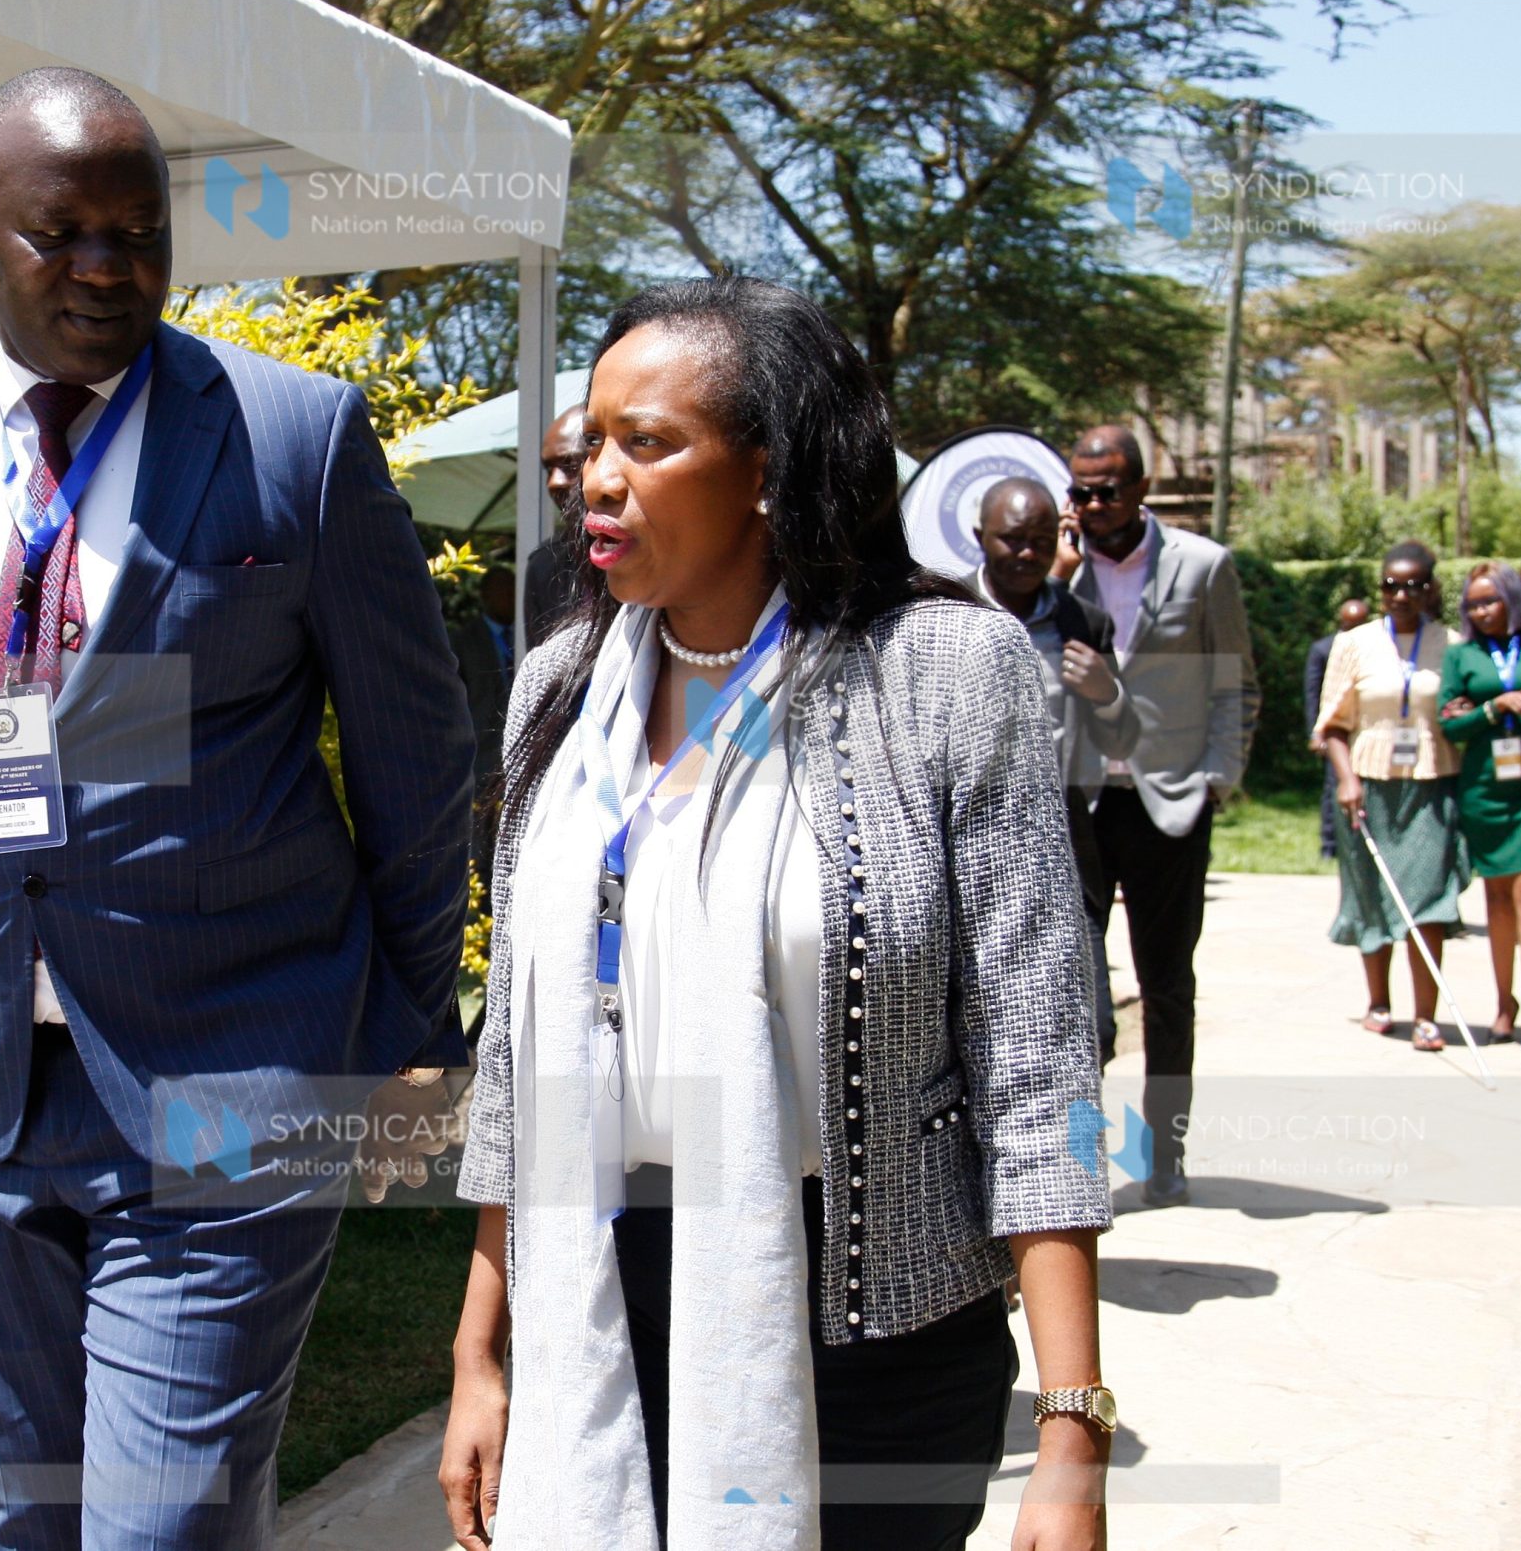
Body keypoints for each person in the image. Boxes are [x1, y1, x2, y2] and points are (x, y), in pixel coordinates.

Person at [0, 67, 475, 1551]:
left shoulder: (293, 438)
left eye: (142, 231)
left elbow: (418, 768)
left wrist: (396, 1034)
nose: (111, 270)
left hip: (238, 1082)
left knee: (155, 1529)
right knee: (33, 1526)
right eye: (65, 233)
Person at [441, 278, 1110, 1551]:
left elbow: (1039, 1064)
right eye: (592, 442)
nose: (594, 476)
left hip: (875, 1328)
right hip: (604, 1299)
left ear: (769, 468)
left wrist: (1072, 1425)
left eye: (646, 442)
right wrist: (482, 1352)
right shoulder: (558, 692)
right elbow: (521, 1059)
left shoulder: (943, 673)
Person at [1049, 425, 1256, 1208]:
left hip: (1169, 801)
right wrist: (1063, 579)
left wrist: (1218, 780)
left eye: (1107, 491)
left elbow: (1237, 685)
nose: (1093, 505)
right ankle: (1079, 1160)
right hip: (1081, 804)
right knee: (1071, 996)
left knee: (1167, 987)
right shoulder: (1057, 575)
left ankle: (1165, 1157)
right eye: (1081, 492)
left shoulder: (1204, 567)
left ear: (1141, 489)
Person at [973, 475, 1136, 1067]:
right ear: (980, 538)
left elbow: (1125, 737)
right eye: (1012, 539)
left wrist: (1107, 692)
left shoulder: (1083, 623)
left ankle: (1078, 1154)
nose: (1026, 553)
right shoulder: (941, 613)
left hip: (1065, 856)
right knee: (985, 1042)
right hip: (966, 859)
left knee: (1092, 1035)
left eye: (1042, 539)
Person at [1313, 544, 1468, 1052]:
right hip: (1368, 785)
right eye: (1391, 585)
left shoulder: (1453, 643)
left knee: (1427, 900)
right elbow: (1333, 725)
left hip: (1430, 784)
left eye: (1415, 585)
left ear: (1432, 589)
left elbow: (1462, 714)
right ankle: (1378, 1002)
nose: (1402, 595)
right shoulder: (1353, 643)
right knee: (1371, 896)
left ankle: (1427, 1016)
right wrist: (1346, 779)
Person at [1438, 562, 1521, 1067]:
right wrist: (1494, 709)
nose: (1481, 610)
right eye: (1473, 602)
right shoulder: (1462, 656)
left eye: (1490, 600)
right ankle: (1503, 1003)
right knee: (1498, 897)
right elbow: (1450, 723)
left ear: (1512, 599)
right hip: (1486, 790)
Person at [452, 566, 518, 892]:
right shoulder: (463, 640)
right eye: (502, 590)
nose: (509, 597)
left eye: (513, 589)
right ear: (484, 595)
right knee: (478, 841)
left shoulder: (527, 633)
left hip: (518, 755)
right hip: (478, 757)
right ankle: (477, 914)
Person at [1309, 598, 1374, 858]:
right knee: (1332, 787)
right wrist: (1315, 733)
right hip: (1336, 732)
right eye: (1349, 624)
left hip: (1366, 733)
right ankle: (1329, 845)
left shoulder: (1377, 647)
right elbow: (1313, 694)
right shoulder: (1323, 649)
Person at [522, 401, 588, 645]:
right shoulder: (545, 565)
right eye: (548, 469)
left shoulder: (653, 554)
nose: (554, 482)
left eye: (570, 465)